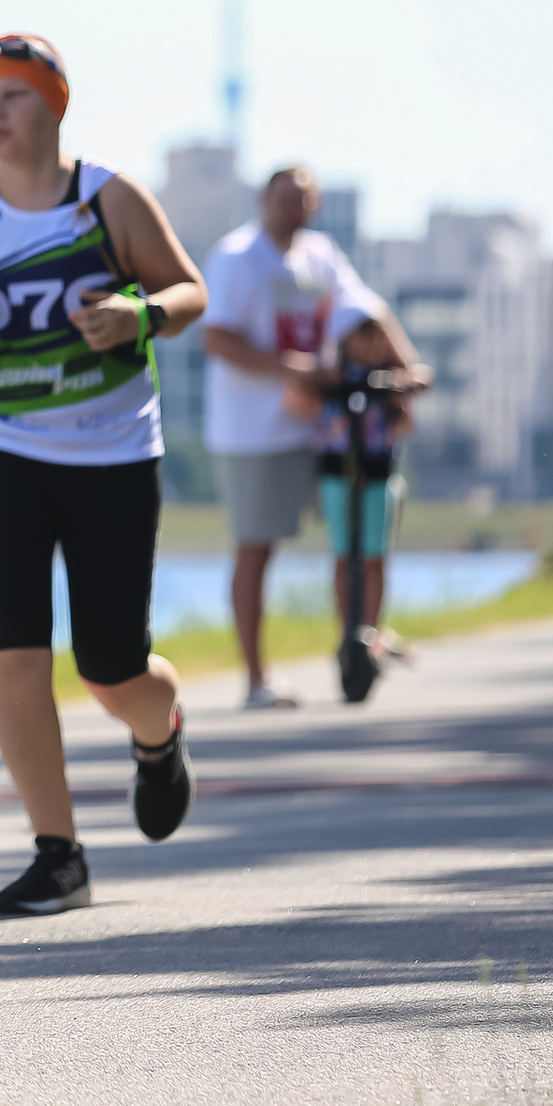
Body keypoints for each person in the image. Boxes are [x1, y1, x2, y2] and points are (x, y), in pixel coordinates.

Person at [0, 34, 207, 917]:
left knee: (111, 666)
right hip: (5, 449)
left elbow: (189, 292)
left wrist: (136, 313)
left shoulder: (105, 196)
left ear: (56, 104)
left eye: (13, 97)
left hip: (113, 453)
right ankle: (58, 852)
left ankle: (159, 729)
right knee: (12, 656)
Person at [201, 167, 424, 708]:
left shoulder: (321, 254)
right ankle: (255, 680)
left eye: (302, 199)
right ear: (263, 200)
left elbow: (369, 308)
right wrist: (291, 369)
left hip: (326, 427)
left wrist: (408, 367)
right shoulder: (236, 256)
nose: (292, 209)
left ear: (315, 204)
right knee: (257, 547)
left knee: (354, 543)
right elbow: (217, 338)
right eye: (282, 198)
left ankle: (362, 640)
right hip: (255, 432)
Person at [291, 305, 428, 662]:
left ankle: (372, 632)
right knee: (343, 555)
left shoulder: (391, 380)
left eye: (375, 338)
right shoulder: (331, 379)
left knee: (374, 557)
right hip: (338, 475)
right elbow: (297, 402)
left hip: (378, 473)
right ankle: (346, 632)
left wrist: (401, 388)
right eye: (361, 338)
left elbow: (411, 409)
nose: (368, 346)